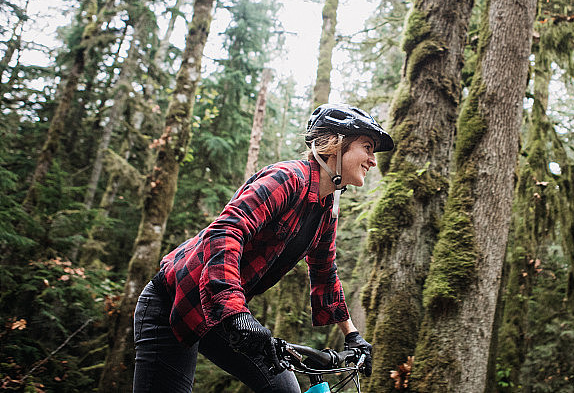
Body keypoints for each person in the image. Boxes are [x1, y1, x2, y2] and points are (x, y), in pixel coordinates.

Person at [132, 104, 394, 393]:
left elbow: (324, 271)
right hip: (174, 302)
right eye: (367, 147)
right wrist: (237, 313)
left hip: (222, 314)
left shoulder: (327, 207)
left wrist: (352, 335)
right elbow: (225, 232)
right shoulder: (288, 178)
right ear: (335, 144)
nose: (372, 160)